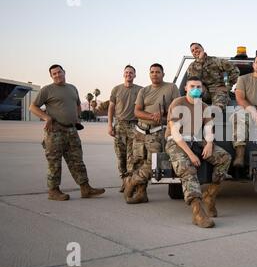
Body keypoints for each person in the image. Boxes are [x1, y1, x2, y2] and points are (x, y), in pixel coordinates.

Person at [29, 64, 105, 201]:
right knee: (54, 162)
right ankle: (53, 191)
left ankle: (85, 188)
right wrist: (46, 117)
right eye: (54, 74)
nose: (57, 75)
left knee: (77, 160)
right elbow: (32, 107)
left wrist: (77, 118)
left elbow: (77, 104)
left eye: (59, 72)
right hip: (54, 131)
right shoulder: (47, 90)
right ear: (51, 76)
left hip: (71, 130)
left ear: (64, 72)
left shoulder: (72, 88)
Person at [165, 76, 231, 228]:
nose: (196, 89)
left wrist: (208, 143)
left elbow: (208, 128)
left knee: (224, 157)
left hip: (196, 139)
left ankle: (210, 195)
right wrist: (190, 154)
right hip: (177, 142)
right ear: (186, 88)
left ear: (202, 90)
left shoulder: (204, 107)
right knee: (188, 168)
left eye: (199, 87)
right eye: (192, 86)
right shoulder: (178, 103)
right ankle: (197, 211)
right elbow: (175, 133)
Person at [123, 63, 180, 204]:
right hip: (140, 131)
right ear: (149, 74)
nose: (155, 74)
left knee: (152, 163)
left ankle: (132, 181)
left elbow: (178, 108)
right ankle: (141, 194)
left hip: (157, 132)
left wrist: (162, 114)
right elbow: (137, 111)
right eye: (152, 72)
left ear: (163, 74)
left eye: (158, 72)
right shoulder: (144, 91)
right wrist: (151, 116)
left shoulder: (171, 88)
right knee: (138, 161)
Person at [108, 65, 143, 193]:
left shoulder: (140, 90)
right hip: (119, 126)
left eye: (131, 73)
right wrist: (109, 125)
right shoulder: (116, 89)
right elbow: (111, 108)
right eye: (127, 72)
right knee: (120, 156)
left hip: (134, 126)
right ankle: (124, 180)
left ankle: (130, 183)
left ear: (134, 75)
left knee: (132, 157)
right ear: (124, 74)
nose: (129, 74)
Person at [187, 43, 240, 110]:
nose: (195, 51)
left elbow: (235, 71)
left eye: (197, 48)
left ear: (202, 49)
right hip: (202, 91)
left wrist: (227, 86)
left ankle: (211, 117)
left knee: (217, 108)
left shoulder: (216, 61)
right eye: (192, 50)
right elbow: (192, 81)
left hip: (218, 90)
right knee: (191, 100)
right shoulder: (191, 67)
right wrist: (200, 61)